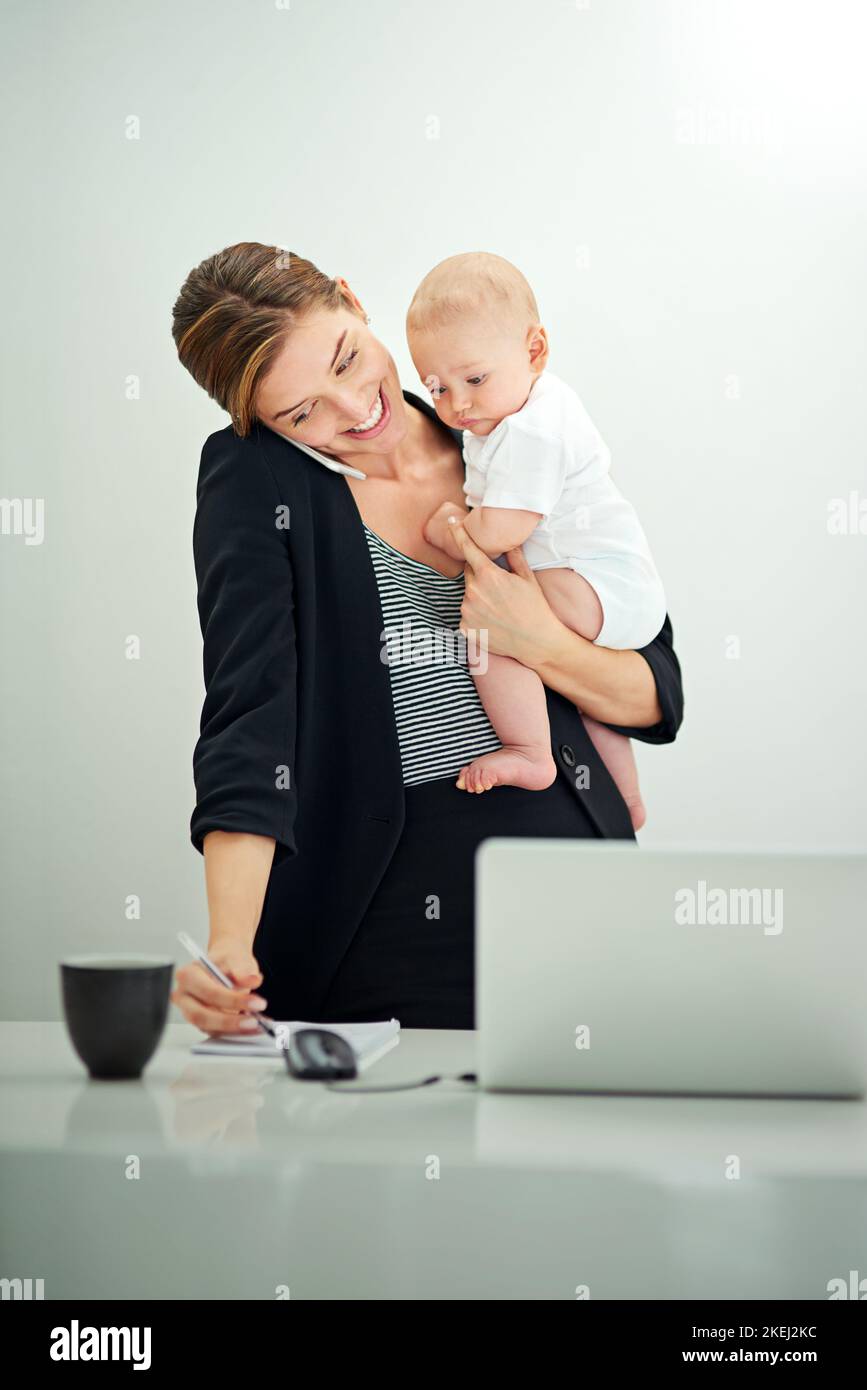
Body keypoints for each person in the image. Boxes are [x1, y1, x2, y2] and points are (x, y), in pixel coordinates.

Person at [169, 243, 684, 1034]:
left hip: (584, 884)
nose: (352, 410)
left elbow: (653, 692)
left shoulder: (499, 416)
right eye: (301, 412)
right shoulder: (256, 481)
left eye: (345, 360)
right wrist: (229, 942)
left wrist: (537, 641)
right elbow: (250, 717)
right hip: (393, 913)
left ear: (351, 297)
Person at [406, 250, 666, 829]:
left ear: (534, 351)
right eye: (437, 386)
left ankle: (530, 752)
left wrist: (449, 529)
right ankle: (626, 801)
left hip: (603, 583)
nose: (457, 402)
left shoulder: (533, 430)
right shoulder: (506, 412)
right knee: (582, 691)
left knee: (489, 631)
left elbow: (500, 530)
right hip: (608, 584)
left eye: (473, 379)